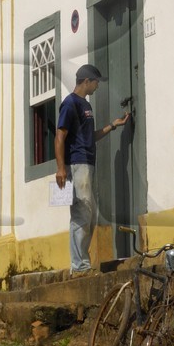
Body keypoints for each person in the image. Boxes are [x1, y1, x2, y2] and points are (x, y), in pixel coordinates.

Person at [55, 64, 130, 273]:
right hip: (77, 165)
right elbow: (60, 136)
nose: (98, 86)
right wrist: (61, 168)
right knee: (82, 213)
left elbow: (90, 136)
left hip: (88, 164)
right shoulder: (70, 104)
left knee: (90, 215)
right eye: (96, 82)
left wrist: (112, 126)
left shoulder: (85, 105)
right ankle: (79, 266)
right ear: (87, 81)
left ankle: (82, 263)